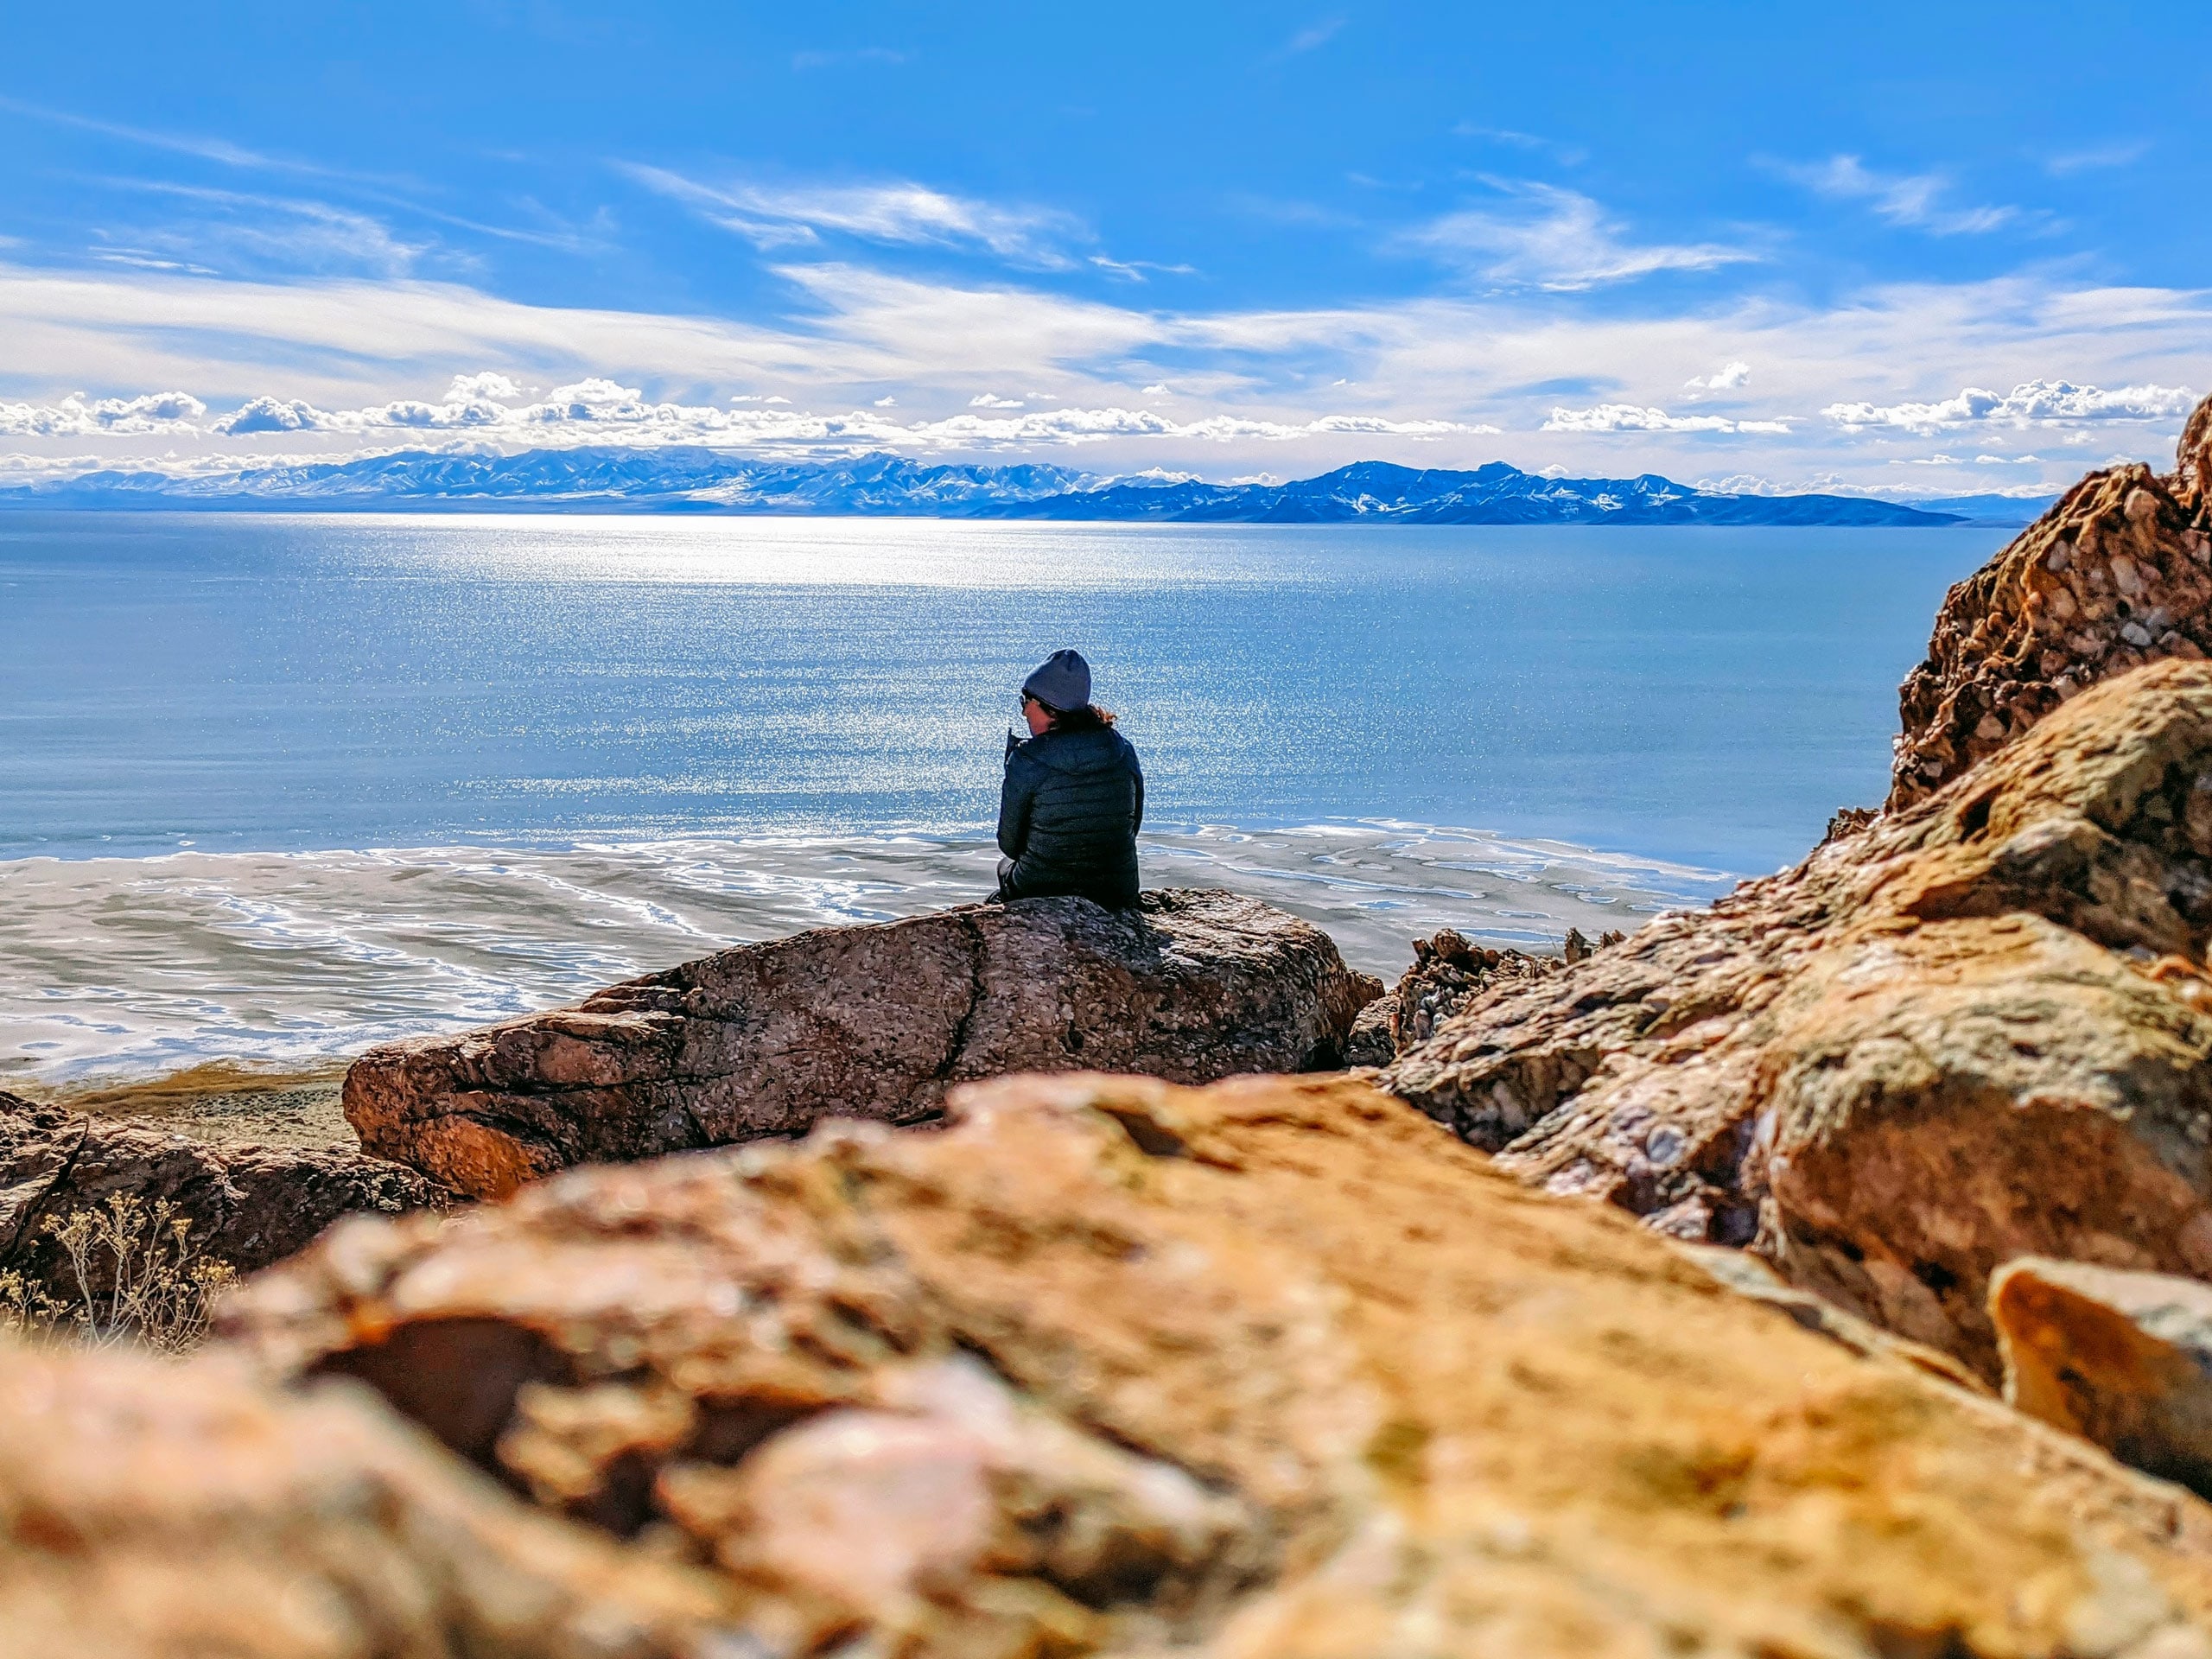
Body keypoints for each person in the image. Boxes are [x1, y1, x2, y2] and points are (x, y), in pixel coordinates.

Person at [995, 648, 1145, 908]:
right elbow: (1133, 827)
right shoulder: (1123, 749)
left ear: (1048, 709)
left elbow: (1010, 845)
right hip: (1116, 891)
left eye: (1026, 701)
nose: (1024, 713)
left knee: (1004, 866)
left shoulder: (1026, 760)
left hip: (1041, 887)